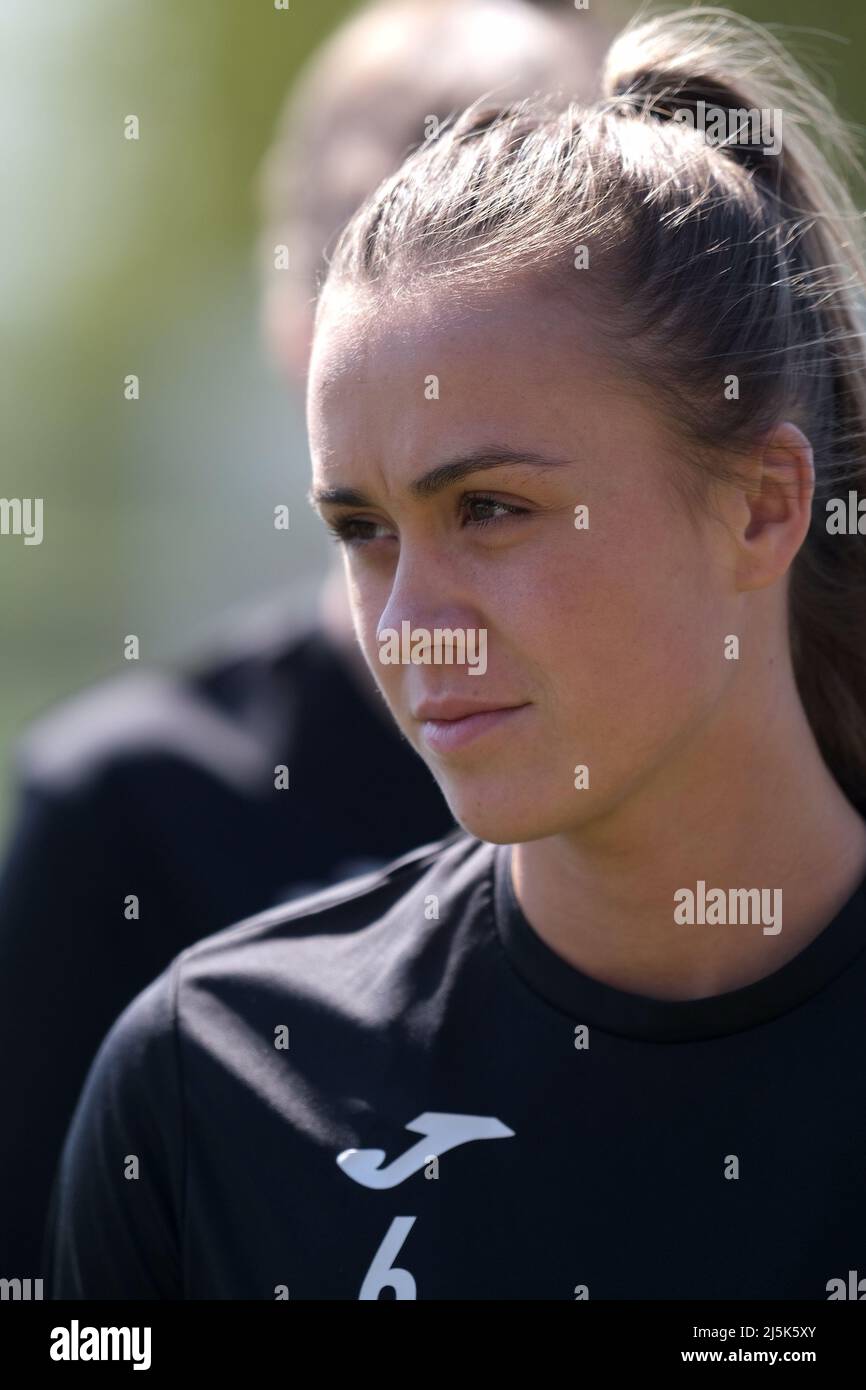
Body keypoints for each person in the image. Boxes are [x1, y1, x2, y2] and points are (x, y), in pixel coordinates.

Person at [47, 4, 866, 1300]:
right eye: (362, 530)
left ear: (761, 504)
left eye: (488, 509)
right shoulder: (216, 1084)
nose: (407, 622)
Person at [0, 0, 610, 1283]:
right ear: (297, 317)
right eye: (363, 230)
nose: (425, 281)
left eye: (507, 210)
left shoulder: (781, 779)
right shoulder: (129, 804)